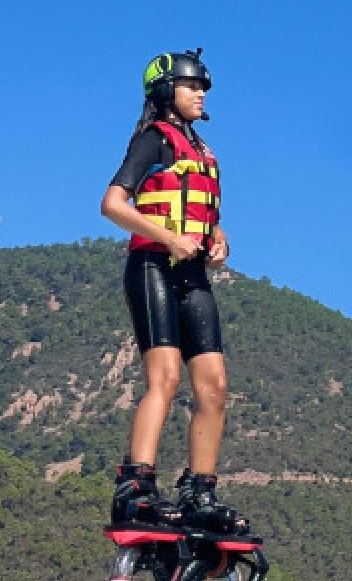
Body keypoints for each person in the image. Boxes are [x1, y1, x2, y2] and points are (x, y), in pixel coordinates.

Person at [101, 49, 247, 534]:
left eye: (203, 86)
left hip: (192, 274)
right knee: (164, 377)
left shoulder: (203, 152)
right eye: (192, 86)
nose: (201, 92)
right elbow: (112, 204)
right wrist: (167, 238)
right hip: (151, 267)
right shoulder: (152, 141)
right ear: (167, 93)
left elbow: (202, 209)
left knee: (215, 388)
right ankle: (136, 489)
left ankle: (199, 491)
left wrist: (218, 236)